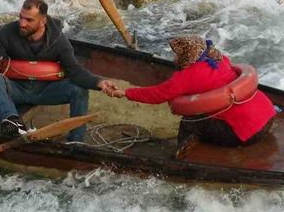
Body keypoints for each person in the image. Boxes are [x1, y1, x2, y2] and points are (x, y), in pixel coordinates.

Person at [0, 0, 118, 141]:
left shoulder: (59, 40)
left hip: (45, 91)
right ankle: (12, 121)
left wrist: (100, 82)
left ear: (43, 21)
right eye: (21, 17)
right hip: (16, 89)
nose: (22, 23)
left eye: (29, 20)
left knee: (79, 90)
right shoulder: (7, 32)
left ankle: (76, 141)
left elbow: (75, 72)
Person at [111, 35, 275, 152]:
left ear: (187, 55)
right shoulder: (221, 59)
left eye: (177, 54)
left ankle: (182, 155)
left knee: (189, 121)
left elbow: (157, 94)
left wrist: (126, 93)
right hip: (268, 120)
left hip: (244, 134)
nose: (174, 57)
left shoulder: (186, 77)